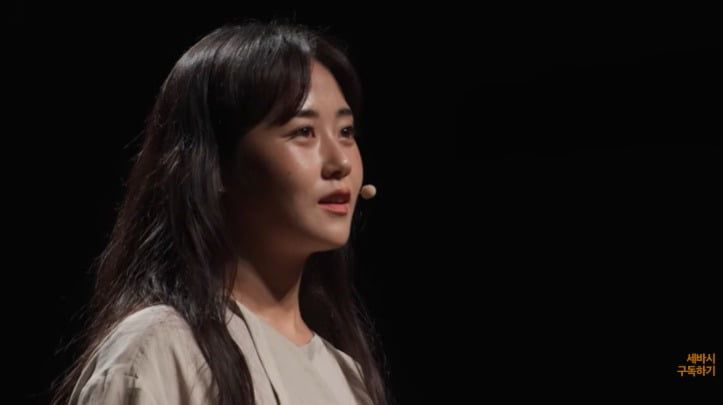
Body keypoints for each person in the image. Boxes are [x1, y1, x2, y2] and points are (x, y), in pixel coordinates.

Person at [50, 18, 391, 405]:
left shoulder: (347, 377)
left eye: (345, 132)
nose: (340, 162)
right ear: (216, 165)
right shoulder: (159, 352)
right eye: (303, 132)